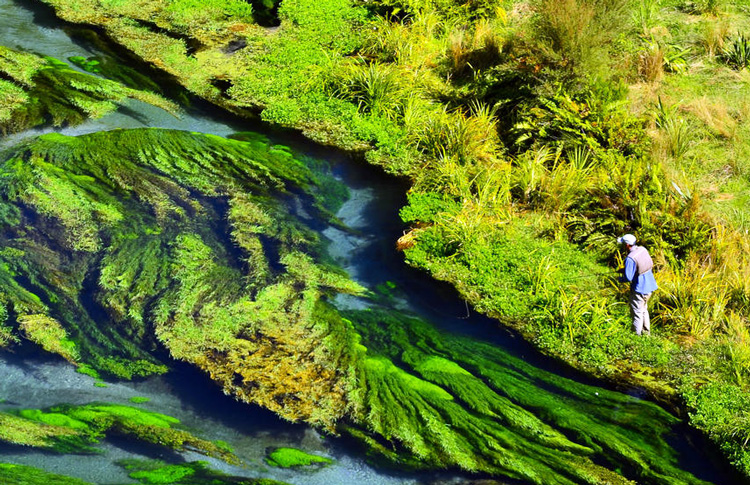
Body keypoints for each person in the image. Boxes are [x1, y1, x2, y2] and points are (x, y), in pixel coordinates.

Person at [617, 234, 658, 336]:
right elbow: (641, 266)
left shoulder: (630, 258)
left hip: (639, 289)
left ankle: (636, 336)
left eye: (623, 244)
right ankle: (646, 333)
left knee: (637, 313)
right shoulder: (642, 250)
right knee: (644, 310)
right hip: (650, 286)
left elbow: (628, 278)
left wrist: (620, 279)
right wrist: (624, 270)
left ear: (627, 245)